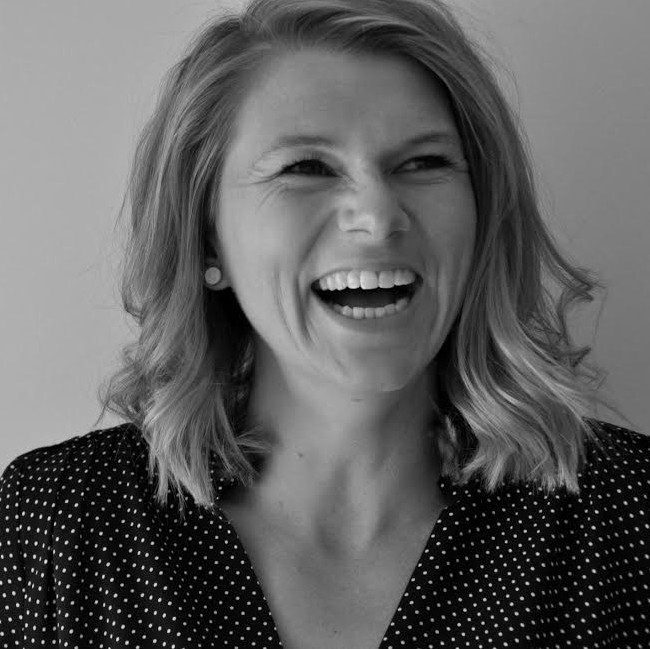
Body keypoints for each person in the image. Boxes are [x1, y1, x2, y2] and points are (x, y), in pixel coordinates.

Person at [1, 0, 648, 647]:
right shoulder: (57, 519)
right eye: (306, 168)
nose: (378, 215)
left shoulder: (630, 517)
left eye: (423, 162)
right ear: (206, 238)